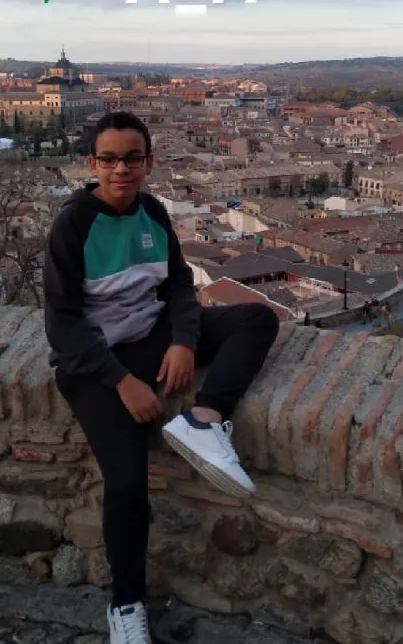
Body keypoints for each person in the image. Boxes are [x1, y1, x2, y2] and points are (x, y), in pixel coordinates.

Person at [43, 112, 279, 644]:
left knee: (258, 318)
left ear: (148, 163)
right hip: (93, 364)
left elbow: (177, 285)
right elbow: (62, 325)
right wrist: (122, 381)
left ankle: (205, 417)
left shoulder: (152, 210)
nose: (120, 169)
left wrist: (182, 341)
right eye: (108, 159)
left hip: (150, 338)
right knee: (127, 486)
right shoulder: (73, 223)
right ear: (93, 164)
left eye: (131, 158)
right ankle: (125, 606)